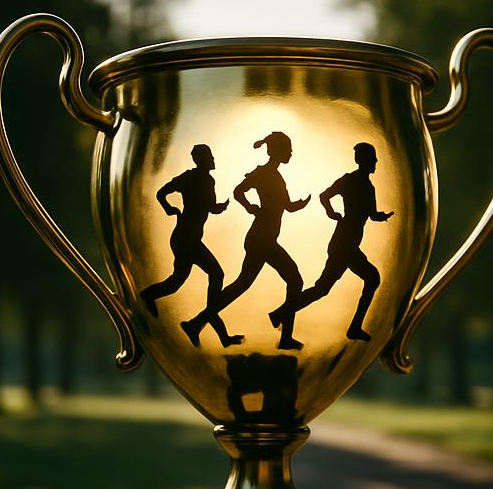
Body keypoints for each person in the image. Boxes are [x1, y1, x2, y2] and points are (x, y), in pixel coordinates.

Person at [181, 131, 310, 350]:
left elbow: (286, 206)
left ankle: (196, 322)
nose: (290, 153)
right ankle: (284, 332)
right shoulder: (263, 173)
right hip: (261, 239)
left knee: (242, 284)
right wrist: (250, 207)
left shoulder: (276, 176)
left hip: (265, 238)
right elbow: (238, 191)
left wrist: (299, 204)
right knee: (294, 280)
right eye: (288, 149)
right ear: (278, 151)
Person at [270, 142, 392, 342]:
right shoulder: (349, 181)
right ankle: (352, 327)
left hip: (350, 244)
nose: (376, 161)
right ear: (364, 160)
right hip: (343, 244)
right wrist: (332, 212)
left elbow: (371, 214)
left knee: (324, 288)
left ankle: (280, 313)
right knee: (368, 279)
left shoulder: (369, 187)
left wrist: (381, 216)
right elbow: (324, 196)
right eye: (373, 158)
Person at [140, 144, 242, 347]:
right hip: (186, 239)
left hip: (189, 238)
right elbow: (161, 193)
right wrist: (169, 208)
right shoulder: (189, 178)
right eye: (210, 156)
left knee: (177, 281)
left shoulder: (207, 180)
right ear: (201, 160)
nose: (213, 160)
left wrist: (219, 207)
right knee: (216, 274)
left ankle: (155, 298)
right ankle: (208, 328)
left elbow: (209, 208)